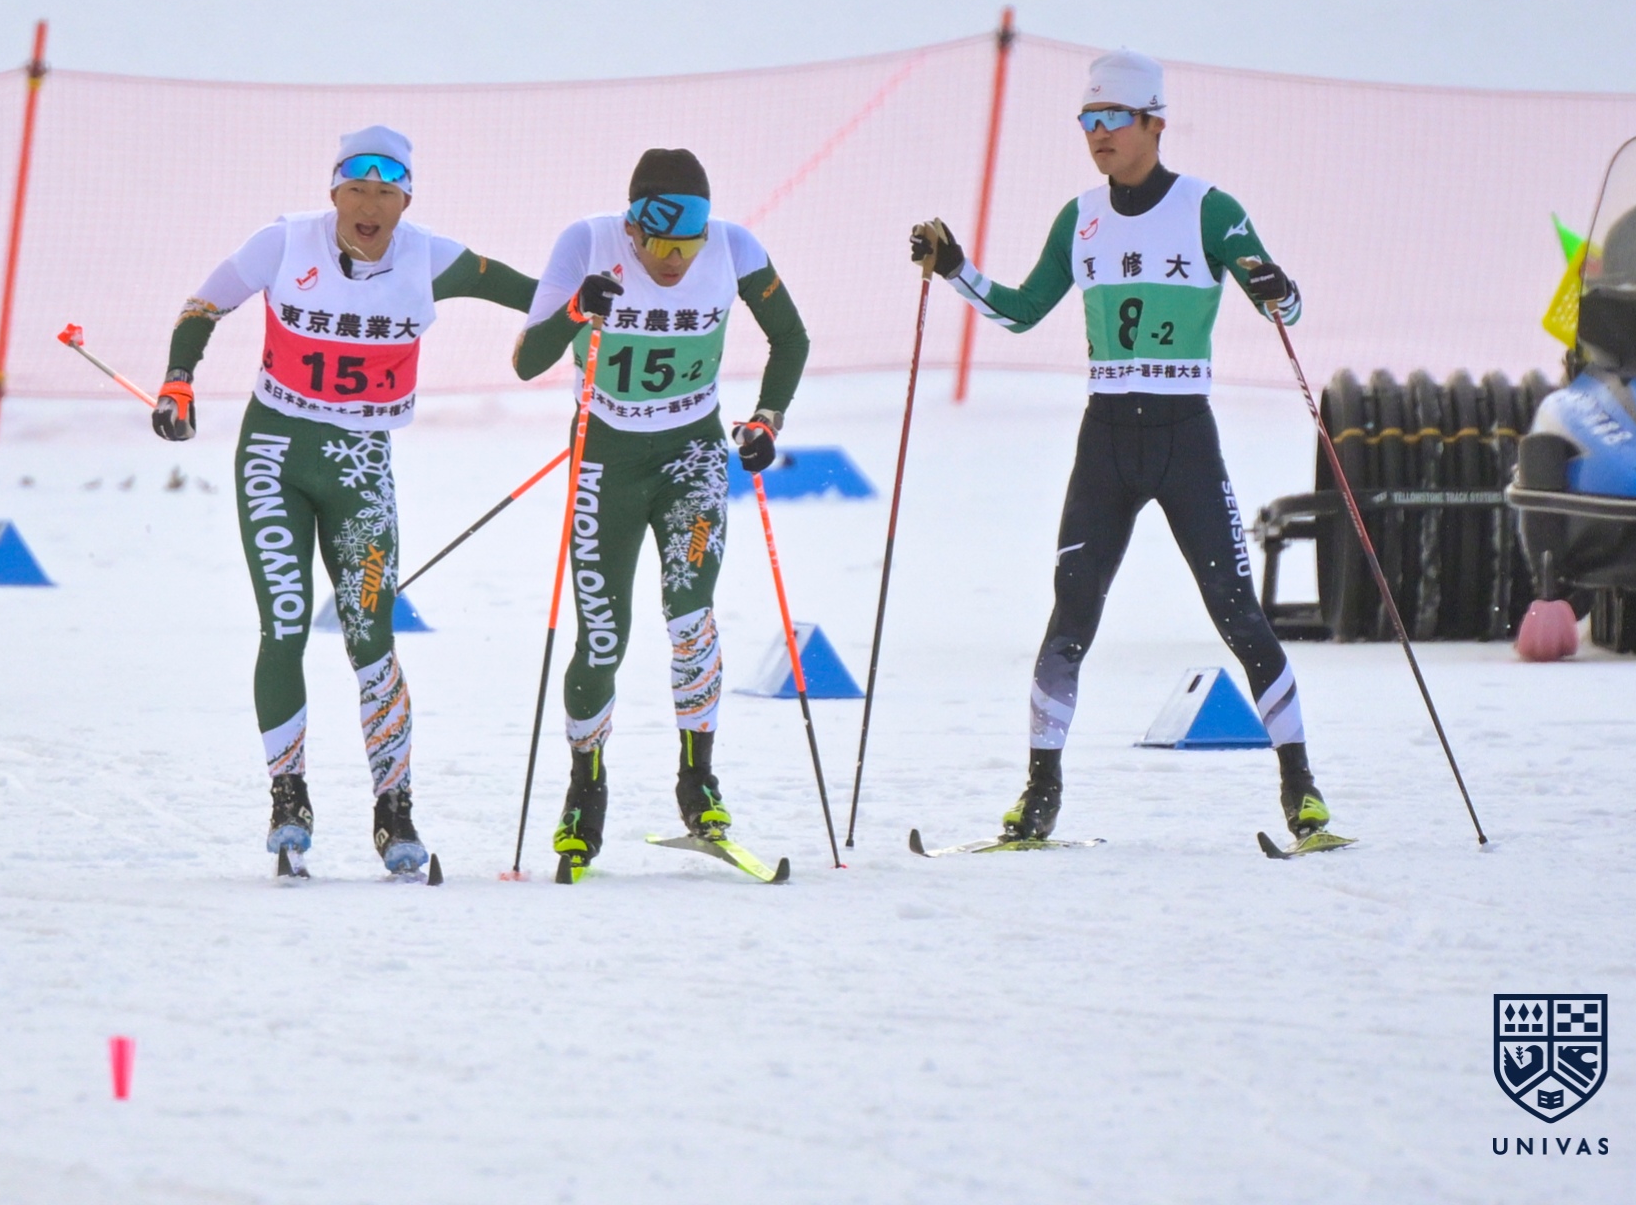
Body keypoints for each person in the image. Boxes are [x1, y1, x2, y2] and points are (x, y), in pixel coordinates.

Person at [912, 47, 1331, 845]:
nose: (1097, 133)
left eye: (1112, 118)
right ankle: (1039, 793)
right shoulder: (1079, 218)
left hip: (1182, 436)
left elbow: (1283, 306)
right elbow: (1021, 311)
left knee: (1236, 611)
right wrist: (956, 269)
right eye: (1087, 119)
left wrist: (1279, 288)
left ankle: (1300, 790)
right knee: (1071, 611)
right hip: (1106, 436)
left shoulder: (1209, 209)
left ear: (1153, 123)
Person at [156, 125, 536, 874]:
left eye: (386, 193)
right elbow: (203, 305)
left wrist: (590, 310)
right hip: (274, 456)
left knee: (371, 638)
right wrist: (178, 380)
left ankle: (394, 811)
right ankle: (287, 797)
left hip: (360, 465)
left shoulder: (431, 257)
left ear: (405, 203)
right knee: (284, 624)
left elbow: (536, 296)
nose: (369, 206)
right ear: (333, 193)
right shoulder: (282, 243)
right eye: (355, 190)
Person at [512, 148, 809, 879]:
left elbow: (790, 338)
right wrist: (577, 310)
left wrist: (766, 418)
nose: (676, 262)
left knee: (690, 615)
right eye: (661, 247)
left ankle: (697, 780)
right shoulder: (587, 242)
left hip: (692, 456)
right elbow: (526, 360)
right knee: (601, 639)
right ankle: (585, 789)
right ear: (633, 229)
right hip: (605, 461)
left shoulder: (734, 248)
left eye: (689, 246)